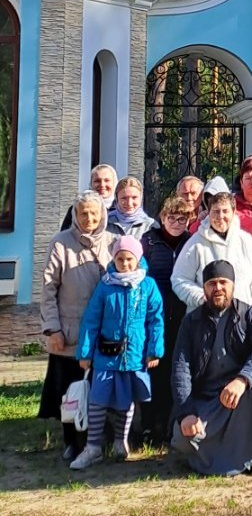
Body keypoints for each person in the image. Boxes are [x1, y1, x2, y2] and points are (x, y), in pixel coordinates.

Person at [171, 261, 252, 476]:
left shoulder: (249, 314)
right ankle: (210, 454)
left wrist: (242, 380)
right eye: (212, 283)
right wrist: (186, 413)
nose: (218, 288)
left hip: (242, 398)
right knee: (183, 439)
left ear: (233, 285)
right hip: (209, 401)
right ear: (204, 288)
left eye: (223, 282)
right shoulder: (191, 321)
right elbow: (180, 368)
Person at [70, 235, 165, 469]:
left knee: (126, 400)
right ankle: (92, 447)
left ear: (138, 258)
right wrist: (85, 353)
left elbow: (156, 320)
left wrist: (154, 350)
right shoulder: (105, 285)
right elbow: (91, 320)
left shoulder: (147, 285)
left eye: (129, 259)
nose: (125, 264)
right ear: (114, 259)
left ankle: (121, 441)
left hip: (134, 354)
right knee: (97, 400)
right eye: (120, 259)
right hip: (106, 353)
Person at [40, 191, 117, 461]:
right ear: (75, 214)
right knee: (69, 392)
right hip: (70, 335)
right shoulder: (60, 244)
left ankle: (97, 442)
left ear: (103, 214)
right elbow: (48, 289)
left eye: (94, 213)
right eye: (83, 213)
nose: (89, 218)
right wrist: (52, 329)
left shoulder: (113, 242)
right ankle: (71, 442)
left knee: (100, 389)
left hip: (105, 335)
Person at [171, 192, 252, 324]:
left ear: (234, 211)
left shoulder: (245, 240)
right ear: (208, 212)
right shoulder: (195, 243)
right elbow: (179, 279)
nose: (220, 216)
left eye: (225, 211)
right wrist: (203, 298)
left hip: (241, 321)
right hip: (204, 322)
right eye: (216, 211)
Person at [140, 196, 194, 444]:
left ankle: (173, 424)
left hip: (182, 317)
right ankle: (150, 426)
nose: (176, 222)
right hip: (153, 319)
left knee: (177, 372)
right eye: (171, 217)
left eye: (181, 218)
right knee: (154, 372)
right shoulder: (149, 242)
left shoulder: (191, 243)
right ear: (162, 218)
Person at [60, 164, 118, 230]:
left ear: (114, 183)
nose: (102, 185)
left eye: (107, 180)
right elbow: (66, 233)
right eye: (97, 181)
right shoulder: (78, 207)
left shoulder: (121, 210)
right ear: (91, 184)